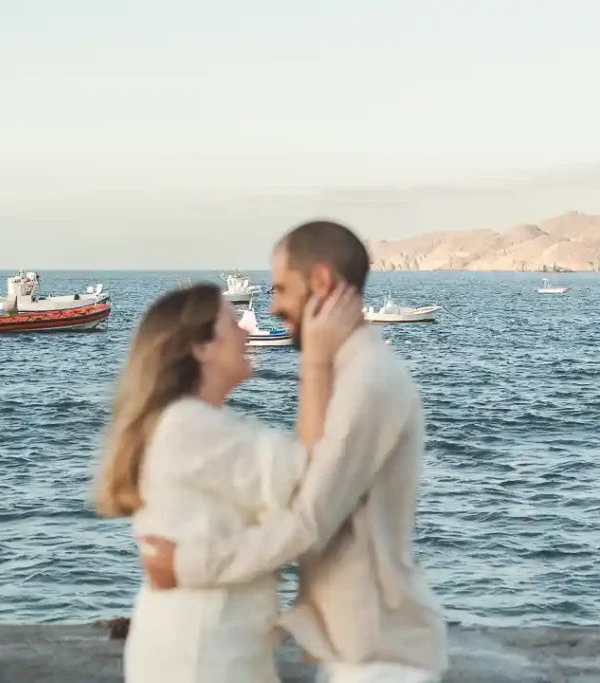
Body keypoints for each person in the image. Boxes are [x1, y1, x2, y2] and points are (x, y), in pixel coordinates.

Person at [139, 220, 448, 683]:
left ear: (320, 282)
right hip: (357, 646)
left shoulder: (365, 380)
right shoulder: (350, 374)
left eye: (281, 288)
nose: (272, 305)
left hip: (377, 658)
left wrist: (183, 564)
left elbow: (309, 517)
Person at [95, 281, 364, 683]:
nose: (244, 331)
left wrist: (188, 565)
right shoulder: (190, 426)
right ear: (201, 348)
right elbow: (312, 478)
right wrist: (319, 361)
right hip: (201, 655)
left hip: (205, 646)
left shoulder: (190, 422)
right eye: (232, 321)